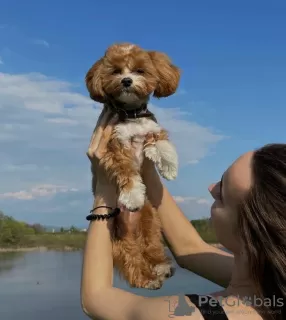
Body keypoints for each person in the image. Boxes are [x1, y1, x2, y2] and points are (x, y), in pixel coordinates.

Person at [80, 109, 286, 320]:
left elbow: (96, 298)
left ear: (250, 231)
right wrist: (147, 169)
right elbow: (189, 248)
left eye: (222, 192)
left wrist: (104, 190)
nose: (211, 187)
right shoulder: (269, 279)